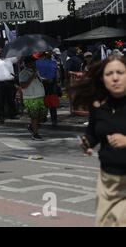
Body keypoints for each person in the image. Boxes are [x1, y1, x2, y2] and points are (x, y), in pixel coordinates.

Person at [72, 54, 126, 226]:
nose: (115, 78)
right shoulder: (98, 106)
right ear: (102, 79)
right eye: (109, 74)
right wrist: (86, 142)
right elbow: (93, 133)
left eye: (120, 72)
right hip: (107, 180)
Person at [19, 56, 47, 140]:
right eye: (33, 62)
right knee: (34, 116)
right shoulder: (23, 73)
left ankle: (32, 126)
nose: (35, 63)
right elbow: (23, 85)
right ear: (28, 63)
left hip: (40, 96)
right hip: (31, 98)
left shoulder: (36, 71)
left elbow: (40, 80)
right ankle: (35, 134)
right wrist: (32, 76)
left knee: (43, 116)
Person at [0, 47, 18, 124]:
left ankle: (12, 114)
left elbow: (18, 58)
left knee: (11, 99)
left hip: (10, 82)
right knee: (0, 100)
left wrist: (19, 49)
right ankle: (1, 116)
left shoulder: (9, 58)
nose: (0, 52)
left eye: (2, 50)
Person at [36, 51, 60, 126]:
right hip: (49, 85)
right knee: (49, 102)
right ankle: (52, 119)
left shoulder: (38, 64)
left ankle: (47, 118)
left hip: (45, 85)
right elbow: (57, 76)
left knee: (46, 102)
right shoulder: (52, 63)